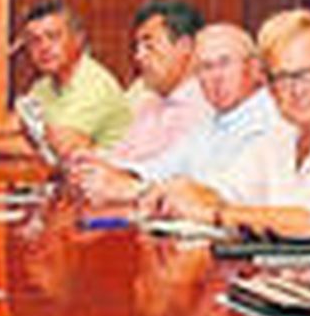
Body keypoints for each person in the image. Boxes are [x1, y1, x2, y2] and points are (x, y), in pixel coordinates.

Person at [145, 8, 310, 236]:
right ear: (267, 82)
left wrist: (218, 214)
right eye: (283, 78)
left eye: (307, 74)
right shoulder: (284, 127)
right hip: (288, 282)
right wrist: (180, 190)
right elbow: (231, 188)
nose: (297, 91)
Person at [71, 22, 276, 203]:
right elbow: (164, 166)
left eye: (224, 63)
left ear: (254, 68)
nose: (215, 77)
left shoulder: (269, 118)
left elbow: (224, 192)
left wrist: (135, 190)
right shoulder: (215, 119)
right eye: (205, 67)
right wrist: (108, 167)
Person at [0, 0, 131, 159]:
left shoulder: (93, 84)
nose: (43, 48)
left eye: (53, 37)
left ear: (78, 39)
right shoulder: (44, 85)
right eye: (34, 41)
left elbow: (54, 149)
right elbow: (12, 125)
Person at [99, 0, 208, 162]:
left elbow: (168, 175)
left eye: (149, 46)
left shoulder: (205, 108)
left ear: (184, 46)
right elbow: (120, 157)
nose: (138, 56)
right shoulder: (149, 102)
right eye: (137, 47)